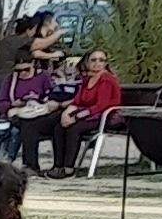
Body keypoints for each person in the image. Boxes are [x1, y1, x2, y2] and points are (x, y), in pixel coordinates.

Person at [49, 50, 125, 179]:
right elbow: (77, 101)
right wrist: (66, 114)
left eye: (101, 60)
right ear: (87, 62)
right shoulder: (87, 80)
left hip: (103, 116)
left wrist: (77, 116)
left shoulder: (106, 79)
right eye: (94, 60)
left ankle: (69, 168)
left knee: (74, 128)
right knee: (59, 127)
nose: (97, 63)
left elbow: (102, 105)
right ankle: (58, 166)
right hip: (88, 114)